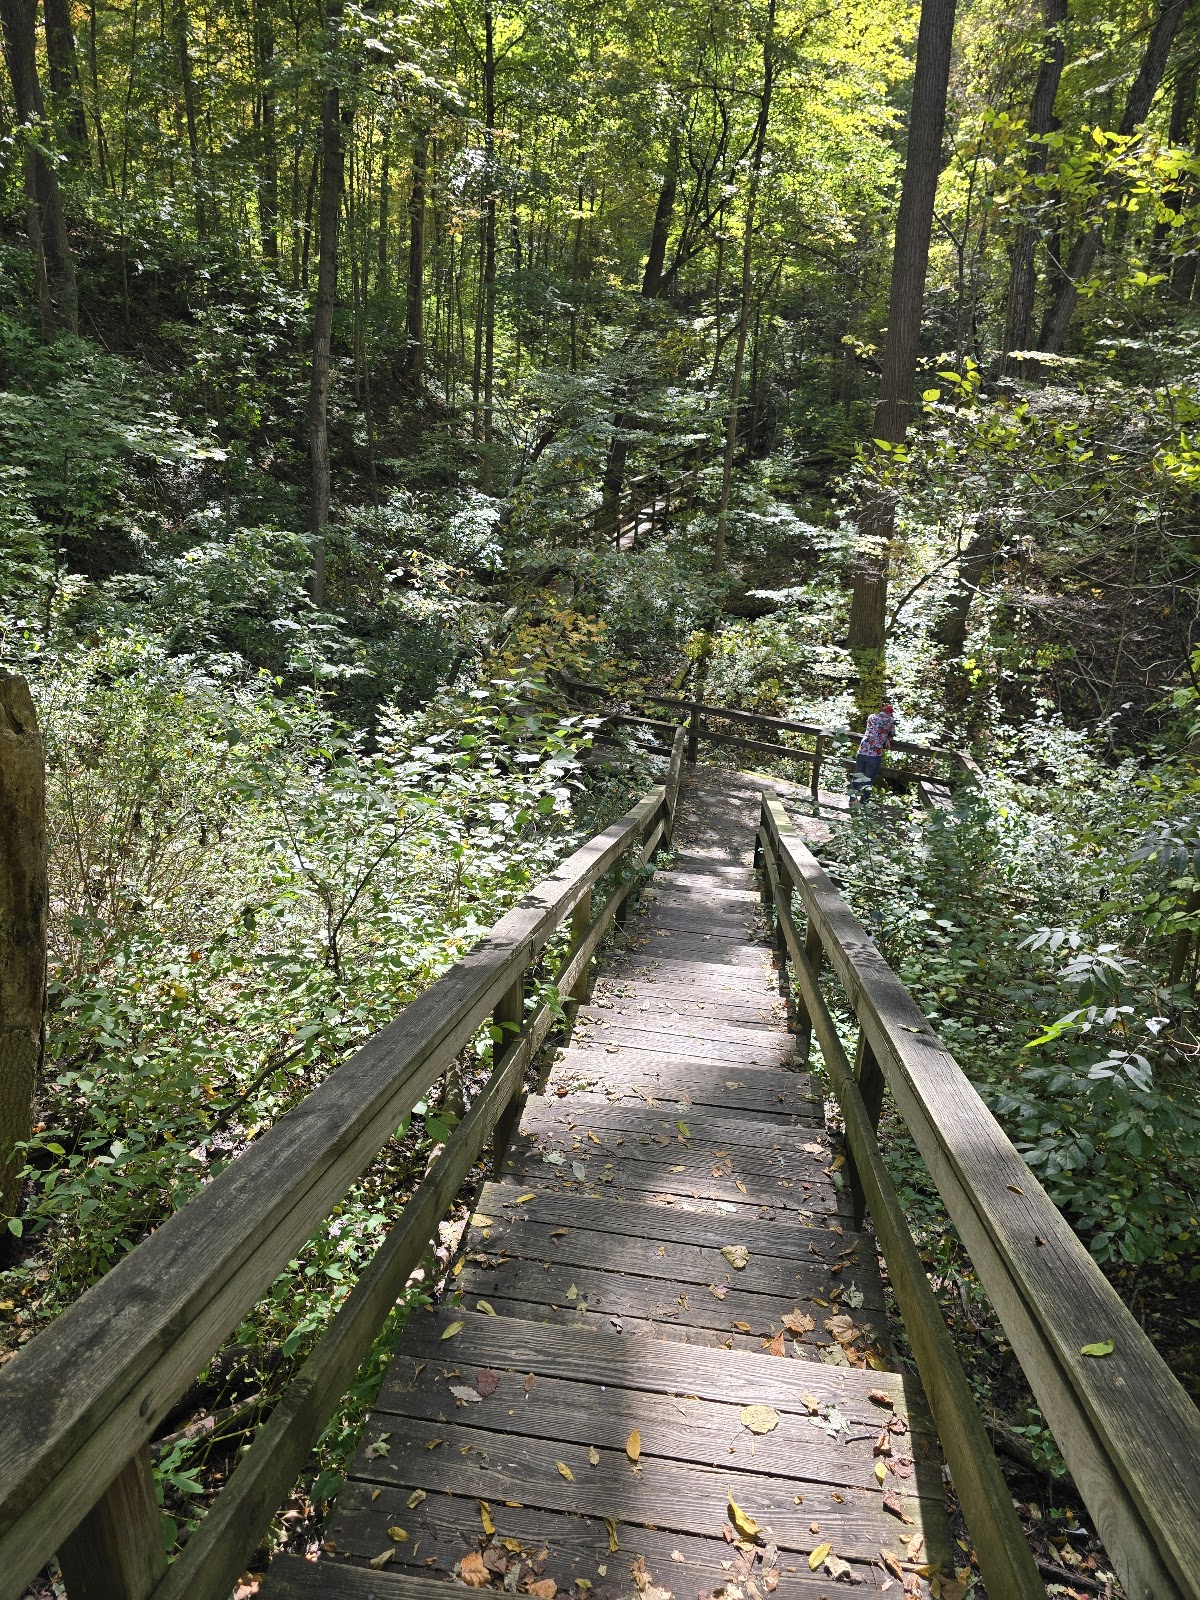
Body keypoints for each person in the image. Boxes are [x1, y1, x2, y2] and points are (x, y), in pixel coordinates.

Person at [850, 700, 896, 804]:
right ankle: (864, 803)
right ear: (890, 713)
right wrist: (888, 738)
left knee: (857, 776)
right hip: (875, 753)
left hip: (862, 750)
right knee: (868, 780)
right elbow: (891, 734)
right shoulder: (890, 721)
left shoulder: (871, 717)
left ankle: (852, 800)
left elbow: (873, 729)